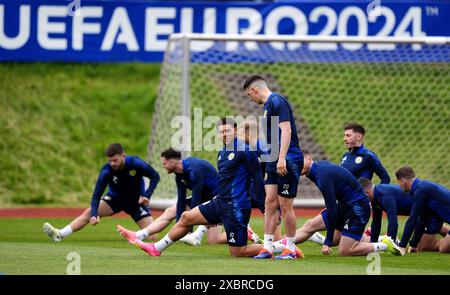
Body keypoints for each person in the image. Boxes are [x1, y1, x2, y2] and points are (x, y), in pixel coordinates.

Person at [131, 118, 302, 258]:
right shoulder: (222, 152)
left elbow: (257, 179)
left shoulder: (245, 151)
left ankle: (282, 247)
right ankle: (156, 248)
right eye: (221, 131)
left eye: (227, 130)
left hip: (236, 207)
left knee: (237, 252)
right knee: (185, 217)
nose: (224, 134)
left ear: (235, 131)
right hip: (220, 201)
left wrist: (264, 207)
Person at [280, 150, 401, 256]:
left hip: (357, 208)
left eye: (299, 161)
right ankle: (274, 245)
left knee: (345, 251)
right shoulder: (317, 171)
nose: (296, 165)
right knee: (310, 225)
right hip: (344, 206)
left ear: (309, 159)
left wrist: (327, 242)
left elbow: (332, 209)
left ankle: (384, 244)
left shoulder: (322, 174)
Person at [43, 143, 160, 242]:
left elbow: (155, 176)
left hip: (136, 202)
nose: (113, 163)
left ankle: (134, 237)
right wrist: (94, 214)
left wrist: (147, 194)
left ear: (123, 156)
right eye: (110, 161)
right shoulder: (106, 171)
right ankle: (59, 234)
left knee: (153, 236)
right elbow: (96, 195)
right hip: (114, 200)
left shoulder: (135, 163)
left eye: (115, 160)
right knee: (88, 213)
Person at [244, 75, 303, 260]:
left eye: (249, 95)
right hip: (272, 158)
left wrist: (282, 158)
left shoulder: (277, 101)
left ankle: (291, 249)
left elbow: (287, 130)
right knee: (269, 203)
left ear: (254, 90)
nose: (250, 99)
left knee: (285, 206)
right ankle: (268, 247)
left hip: (287, 159)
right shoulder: (267, 107)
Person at [117, 148, 223, 245]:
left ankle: (236, 236)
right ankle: (138, 235)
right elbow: (181, 200)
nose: (163, 166)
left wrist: (189, 224)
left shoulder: (194, 169)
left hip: (220, 198)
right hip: (205, 197)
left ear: (173, 162)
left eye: (164, 163)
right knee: (170, 211)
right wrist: (181, 227)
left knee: (214, 240)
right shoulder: (179, 174)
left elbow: (197, 196)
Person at [395, 166, 450, 254]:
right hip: (439, 221)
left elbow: (412, 219)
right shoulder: (422, 188)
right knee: (423, 246)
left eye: (398, 182)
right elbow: (422, 219)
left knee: (444, 248)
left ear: (403, 181)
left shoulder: (420, 191)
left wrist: (402, 246)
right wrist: (413, 244)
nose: (399, 185)